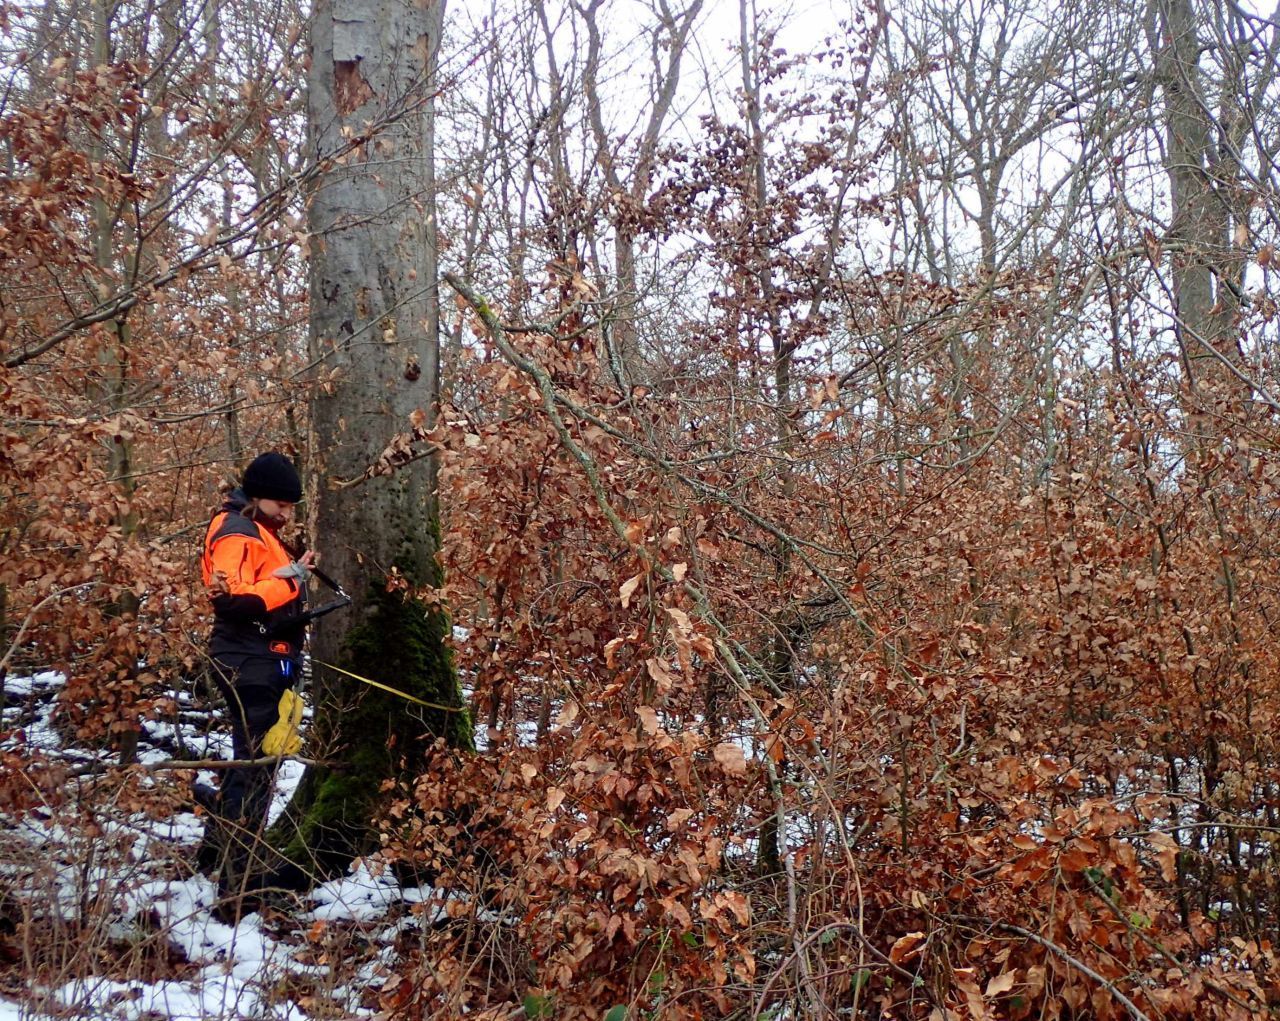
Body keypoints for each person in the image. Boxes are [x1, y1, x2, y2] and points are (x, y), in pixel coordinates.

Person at [198, 451, 314, 915]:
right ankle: (237, 886)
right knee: (257, 767)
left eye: (291, 506)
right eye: (280, 504)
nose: (286, 514)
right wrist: (289, 582)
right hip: (249, 662)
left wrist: (292, 577)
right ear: (256, 495)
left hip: (263, 659)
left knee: (253, 763)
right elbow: (233, 602)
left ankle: (216, 854)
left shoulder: (258, 532)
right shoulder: (237, 531)